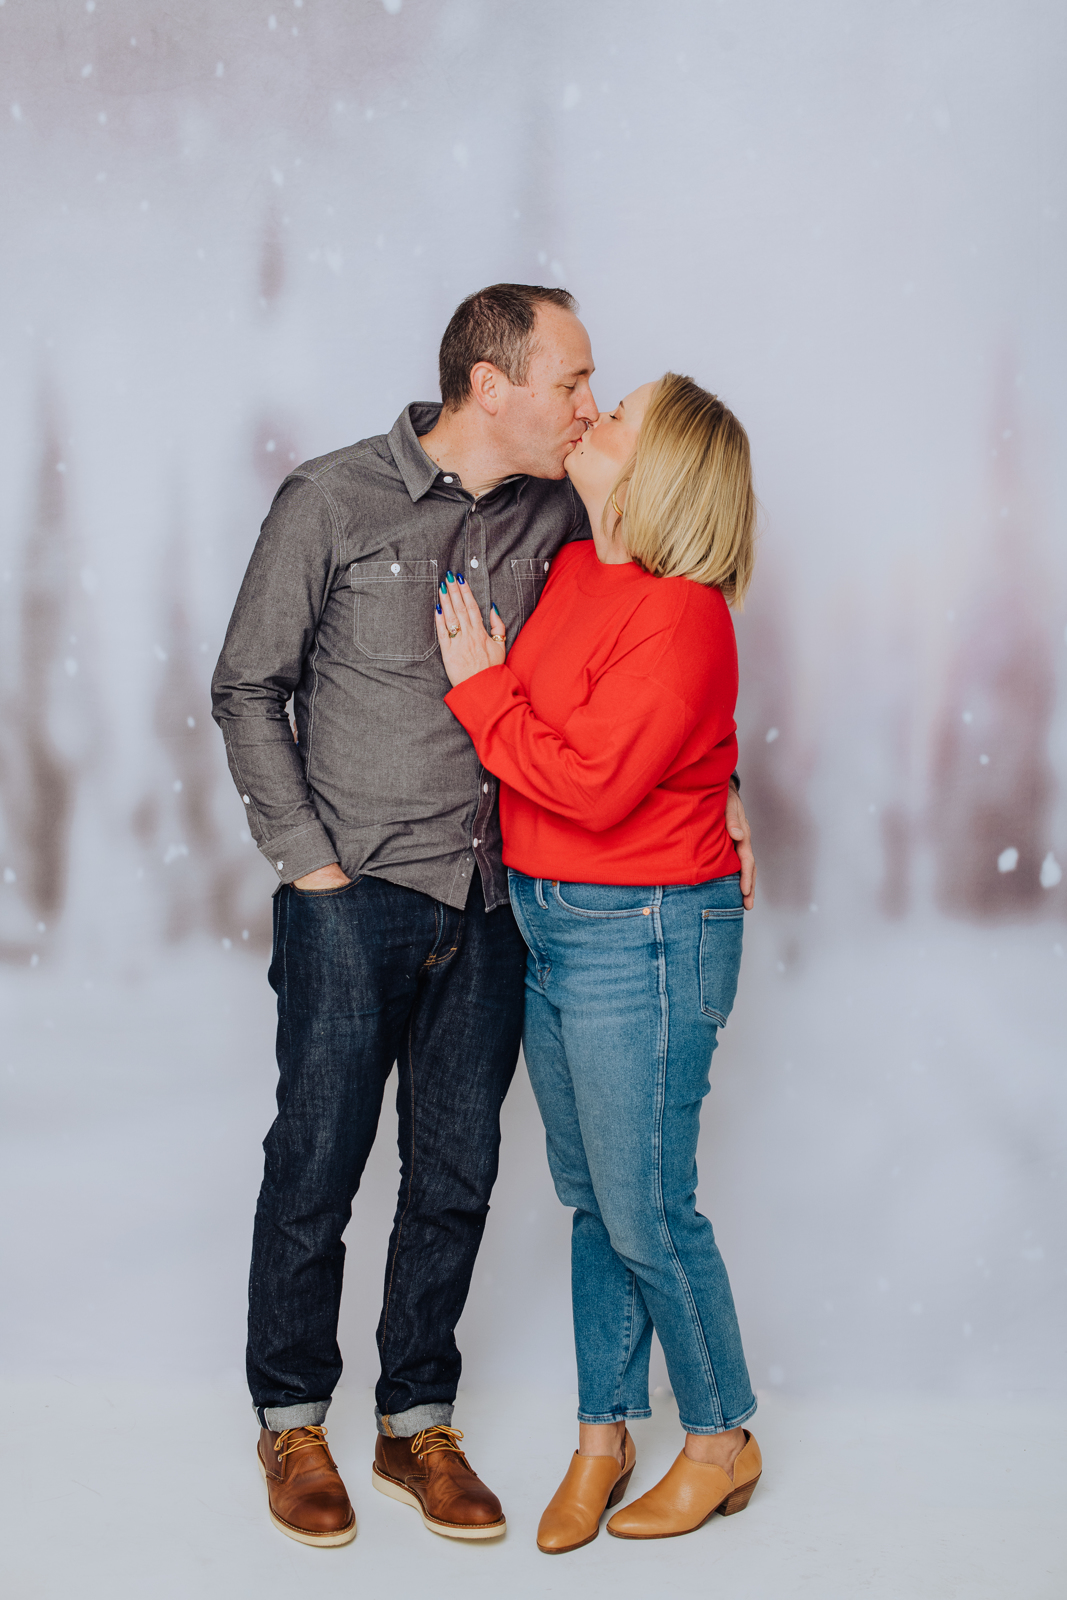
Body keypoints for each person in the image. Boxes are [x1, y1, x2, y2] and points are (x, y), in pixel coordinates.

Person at [212, 285, 757, 1548]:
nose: (586, 404)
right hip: (355, 896)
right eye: (573, 381)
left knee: (455, 1171)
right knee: (316, 1162)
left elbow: (663, 655)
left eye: (596, 394)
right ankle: (292, 1416)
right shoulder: (330, 500)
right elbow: (249, 685)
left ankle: (417, 1420)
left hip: (504, 904)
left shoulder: (567, 514)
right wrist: (307, 867)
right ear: (489, 384)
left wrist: (722, 787)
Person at [437, 372, 761, 1553]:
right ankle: (601, 1435)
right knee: (592, 1202)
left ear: (657, 468)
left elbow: (586, 778)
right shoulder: (578, 568)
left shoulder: (683, 615)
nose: (591, 417)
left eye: (613, 413)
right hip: (553, 921)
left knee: (648, 1210)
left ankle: (722, 1439)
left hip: (650, 936)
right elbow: (567, 736)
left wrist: (479, 689)